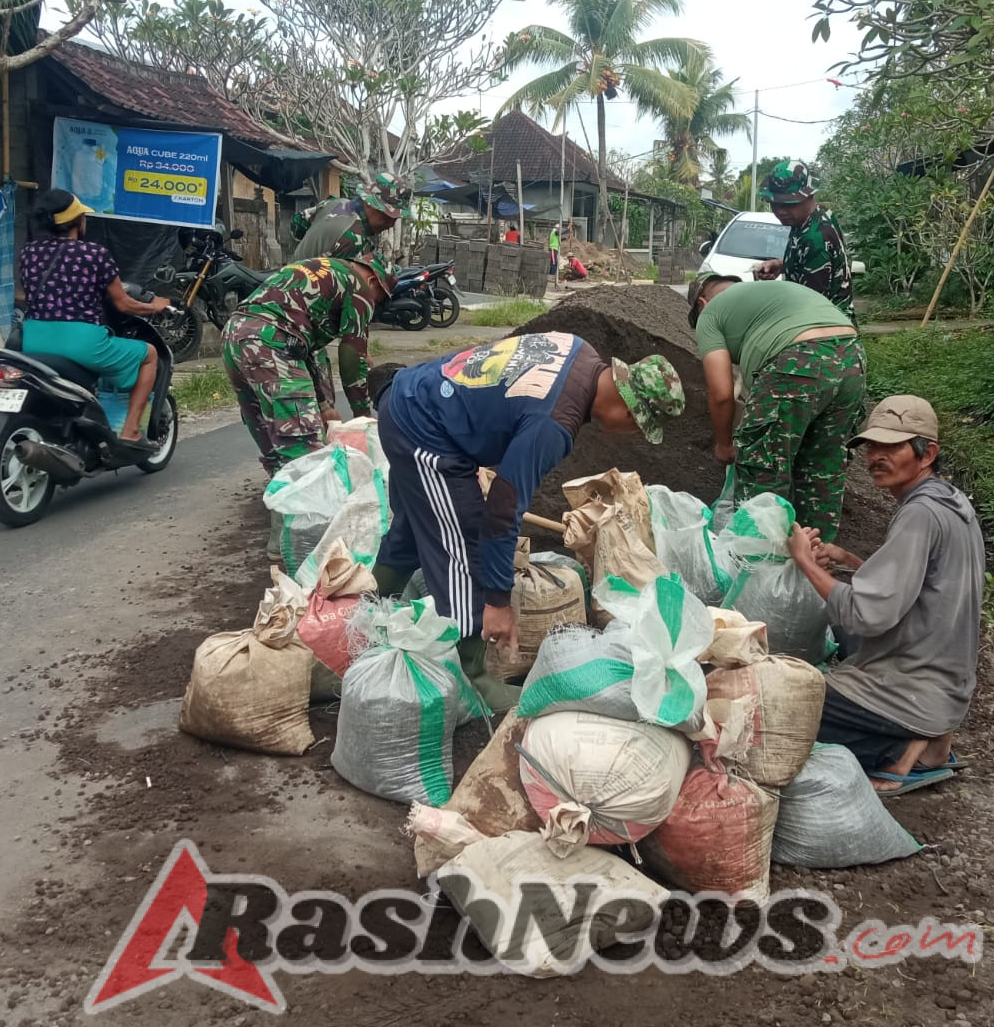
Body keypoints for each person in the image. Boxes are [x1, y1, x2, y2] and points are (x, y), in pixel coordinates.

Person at [370, 335, 683, 666]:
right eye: (637, 427)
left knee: (417, 524)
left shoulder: (581, 349)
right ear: (627, 407)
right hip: (423, 428)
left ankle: (367, 612)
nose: (630, 434)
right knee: (463, 540)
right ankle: (470, 670)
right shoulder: (554, 424)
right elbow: (503, 508)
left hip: (413, 397)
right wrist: (497, 601)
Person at [785, 396, 985, 794]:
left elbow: (866, 616)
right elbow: (921, 588)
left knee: (783, 710)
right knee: (834, 629)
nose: (876, 456)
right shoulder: (951, 502)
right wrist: (848, 561)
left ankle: (900, 748)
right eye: (871, 447)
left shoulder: (919, 513)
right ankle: (927, 736)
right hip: (945, 682)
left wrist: (805, 562)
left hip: (911, 692)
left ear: (927, 453)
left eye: (891, 447)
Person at [689, 273, 864, 540]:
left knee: (763, 473)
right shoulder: (770, 296)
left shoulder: (711, 313)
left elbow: (722, 394)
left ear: (701, 303)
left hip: (795, 360)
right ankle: (813, 564)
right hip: (852, 358)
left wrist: (724, 444)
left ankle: (757, 567)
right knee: (822, 471)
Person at [17, 189, 170, 444]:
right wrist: (156, 306)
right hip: (82, 344)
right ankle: (131, 430)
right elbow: (123, 304)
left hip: (33, 339)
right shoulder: (94, 254)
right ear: (79, 221)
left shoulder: (29, 252)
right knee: (150, 355)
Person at [222, 256, 392, 477]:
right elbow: (352, 355)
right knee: (305, 453)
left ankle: (286, 504)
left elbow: (302, 346)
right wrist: (363, 416)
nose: (376, 303)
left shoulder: (323, 267)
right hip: (271, 342)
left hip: (235, 334)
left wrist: (323, 406)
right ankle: (314, 508)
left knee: (274, 444)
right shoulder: (359, 287)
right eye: (380, 296)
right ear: (372, 281)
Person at [753, 161, 855, 320]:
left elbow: (809, 309)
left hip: (826, 333)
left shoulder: (816, 238)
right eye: (775, 203)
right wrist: (782, 264)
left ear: (809, 196)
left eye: (788, 204)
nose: (780, 211)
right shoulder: (817, 214)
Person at [292, 172, 410, 263]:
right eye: (387, 216)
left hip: (287, 276)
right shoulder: (354, 237)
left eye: (395, 219)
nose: (390, 224)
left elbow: (297, 224)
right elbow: (341, 285)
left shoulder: (335, 202)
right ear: (370, 204)